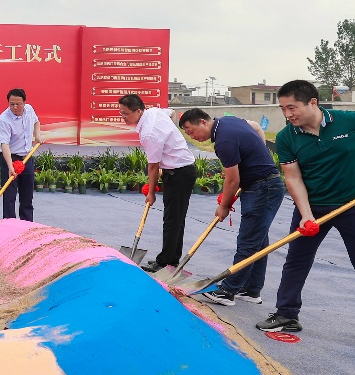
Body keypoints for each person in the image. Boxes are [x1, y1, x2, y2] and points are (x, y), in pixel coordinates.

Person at [256, 80, 355, 356]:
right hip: (313, 207)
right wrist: (306, 215)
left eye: (292, 107)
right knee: (296, 261)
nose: (287, 114)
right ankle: (287, 313)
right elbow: (293, 178)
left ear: (313, 102)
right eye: (283, 109)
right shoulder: (287, 137)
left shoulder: (350, 120)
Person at [178, 108, 284, 305]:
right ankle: (251, 290)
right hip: (265, 184)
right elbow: (255, 127)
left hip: (262, 187)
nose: (192, 137)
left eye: (191, 131)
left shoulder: (223, 141)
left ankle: (228, 291)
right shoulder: (229, 122)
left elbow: (232, 180)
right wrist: (259, 155)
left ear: (203, 122)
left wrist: (224, 205)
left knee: (248, 241)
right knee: (258, 241)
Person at [118, 94, 197, 273]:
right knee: (176, 219)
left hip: (180, 172)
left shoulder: (149, 133)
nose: (123, 117)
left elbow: (153, 166)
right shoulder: (154, 112)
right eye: (121, 113)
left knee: (172, 220)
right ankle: (172, 260)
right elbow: (172, 113)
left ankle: (165, 262)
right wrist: (171, 142)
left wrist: (151, 192)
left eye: (126, 114)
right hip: (178, 169)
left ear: (138, 111)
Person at [0, 89, 43, 222]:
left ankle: (27, 224)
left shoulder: (29, 110)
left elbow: (36, 122)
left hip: (27, 157)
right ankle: (9, 224)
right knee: (9, 196)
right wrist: (10, 166)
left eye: (18, 104)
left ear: (24, 102)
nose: (15, 107)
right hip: (10, 158)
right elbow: (4, 145)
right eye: (12, 104)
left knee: (27, 195)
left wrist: (37, 135)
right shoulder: (4, 119)